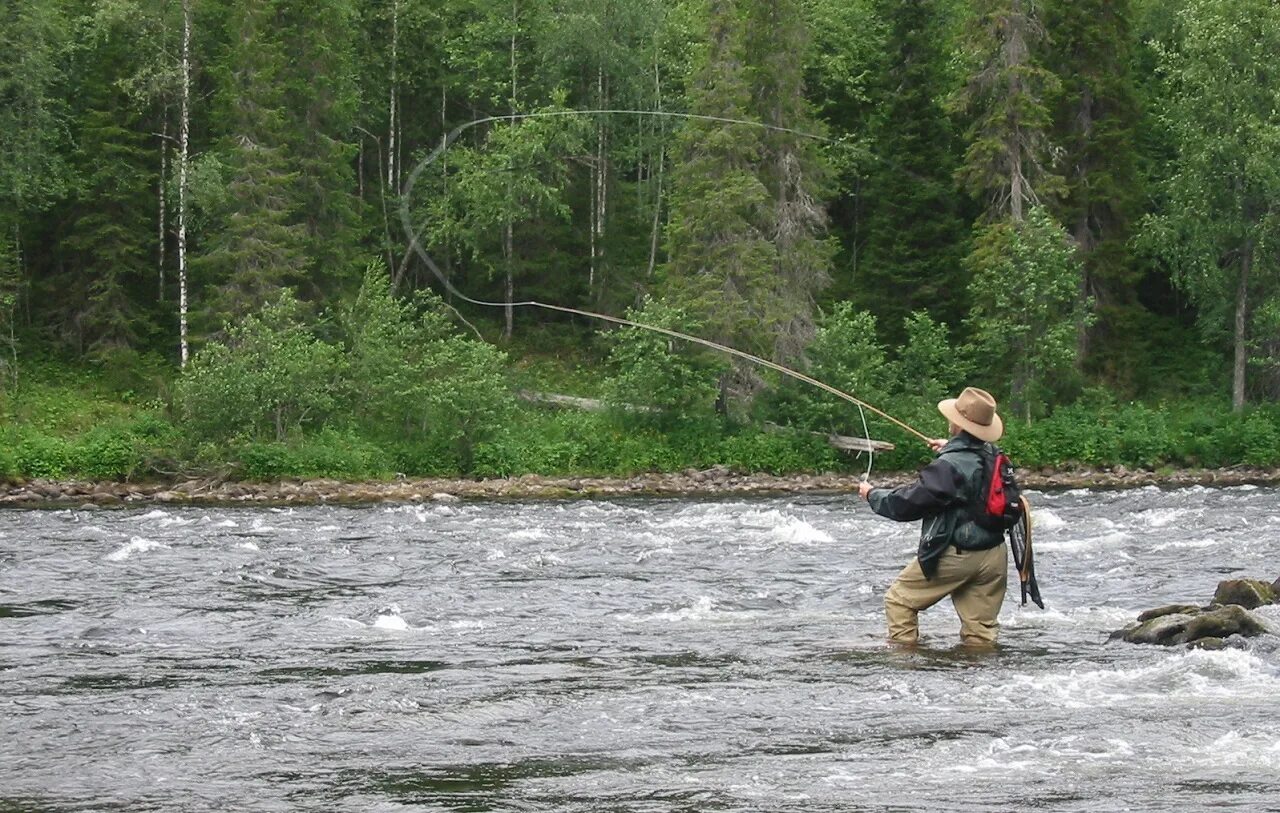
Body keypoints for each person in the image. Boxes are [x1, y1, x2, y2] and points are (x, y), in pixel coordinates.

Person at [856, 386, 1009, 647]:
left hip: (958, 553)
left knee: (899, 601)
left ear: (958, 424)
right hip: (994, 554)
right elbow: (970, 469)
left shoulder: (950, 466)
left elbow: (911, 503)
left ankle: (907, 665)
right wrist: (950, 447)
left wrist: (873, 495)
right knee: (980, 633)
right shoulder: (993, 454)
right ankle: (981, 679)